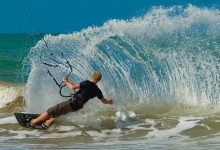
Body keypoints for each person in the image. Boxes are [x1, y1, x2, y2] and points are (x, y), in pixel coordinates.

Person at [24, 71, 114, 128]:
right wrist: (109, 102)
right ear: (99, 80)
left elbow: (72, 87)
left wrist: (66, 81)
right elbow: (103, 100)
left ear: (92, 76)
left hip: (71, 103)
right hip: (77, 107)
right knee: (61, 111)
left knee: (50, 111)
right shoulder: (97, 91)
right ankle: (48, 122)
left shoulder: (86, 83)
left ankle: (33, 122)